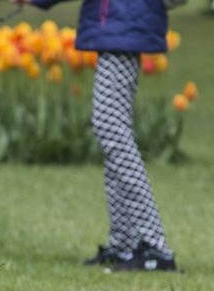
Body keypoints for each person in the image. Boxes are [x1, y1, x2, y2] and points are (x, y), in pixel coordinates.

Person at [17, 0, 177, 271]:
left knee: (111, 127)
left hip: (123, 21)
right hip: (123, 21)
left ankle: (154, 245)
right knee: (112, 128)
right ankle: (125, 244)